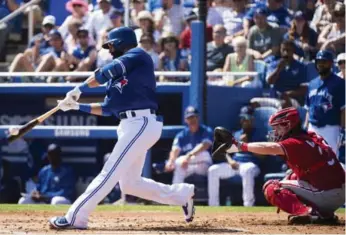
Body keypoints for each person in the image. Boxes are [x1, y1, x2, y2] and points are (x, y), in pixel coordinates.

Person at [48, 27, 195, 230]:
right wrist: (76, 106)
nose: (109, 50)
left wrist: (79, 89)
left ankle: (76, 217)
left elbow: (105, 72)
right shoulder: (118, 79)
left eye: (111, 45)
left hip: (142, 123)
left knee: (109, 172)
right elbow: (108, 109)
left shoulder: (137, 55)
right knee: (130, 183)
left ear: (120, 43)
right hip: (128, 125)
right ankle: (181, 194)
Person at [212, 107, 345, 224]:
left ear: (288, 125)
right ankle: (323, 214)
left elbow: (270, 147)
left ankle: (309, 212)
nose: (274, 132)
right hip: (338, 191)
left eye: (277, 128)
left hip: (327, 193)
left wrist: (240, 146)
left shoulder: (296, 142)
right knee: (291, 176)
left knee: (271, 187)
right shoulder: (310, 136)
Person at [208, 107, 261, 207]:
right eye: (242, 118)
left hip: (251, 165)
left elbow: (263, 156)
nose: (244, 121)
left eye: (247, 119)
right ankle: (213, 205)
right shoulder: (236, 134)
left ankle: (248, 205)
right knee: (213, 170)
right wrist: (230, 161)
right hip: (235, 164)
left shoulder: (258, 134)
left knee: (247, 170)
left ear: (252, 120)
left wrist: (247, 144)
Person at [304, 50, 345, 155]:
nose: (321, 64)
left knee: (331, 160)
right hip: (312, 127)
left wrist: (343, 130)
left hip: (331, 128)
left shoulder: (340, 83)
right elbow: (308, 109)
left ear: (331, 63)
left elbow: (343, 110)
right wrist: (305, 126)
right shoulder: (312, 84)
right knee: (311, 159)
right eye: (319, 61)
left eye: (324, 61)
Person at [165, 106, 213, 184]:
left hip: (205, 165)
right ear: (185, 120)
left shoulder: (206, 131)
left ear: (198, 118)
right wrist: (171, 161)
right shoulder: (181, 135)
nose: (192, 120)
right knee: (178, 164)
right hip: (188, 165)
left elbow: (205, 145)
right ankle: (176, 193)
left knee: (204, 153)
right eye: (189, 118)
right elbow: (175, 150)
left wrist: (188, 156)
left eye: (193, 117)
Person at [266, 39, 308, 107]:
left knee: (284, 104)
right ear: (280, 50)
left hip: (292, 99)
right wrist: (278, 69)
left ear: (293, 51)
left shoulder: (301, 67)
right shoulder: (274, 64)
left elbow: (304, 89)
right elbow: (270, 82)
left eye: (288, 50)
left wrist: (289, 94)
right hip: (275, 98)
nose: (285, 53)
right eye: (283, 50)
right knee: (254, 103)